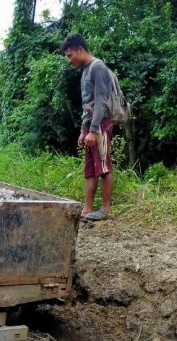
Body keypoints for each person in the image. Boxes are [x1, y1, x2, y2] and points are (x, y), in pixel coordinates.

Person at [62, 33, 115, 221]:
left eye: (70, 55)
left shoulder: (98, 67)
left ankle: (106, 210)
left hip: (100, 124)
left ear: (80, 50)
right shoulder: (85, 70)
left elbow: (101, 102)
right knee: (90, 170)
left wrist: (93, 130)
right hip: (91, 124)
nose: (69, 60)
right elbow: (88, 103)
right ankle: (87, 210)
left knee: (104, 167)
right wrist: (83, 130)